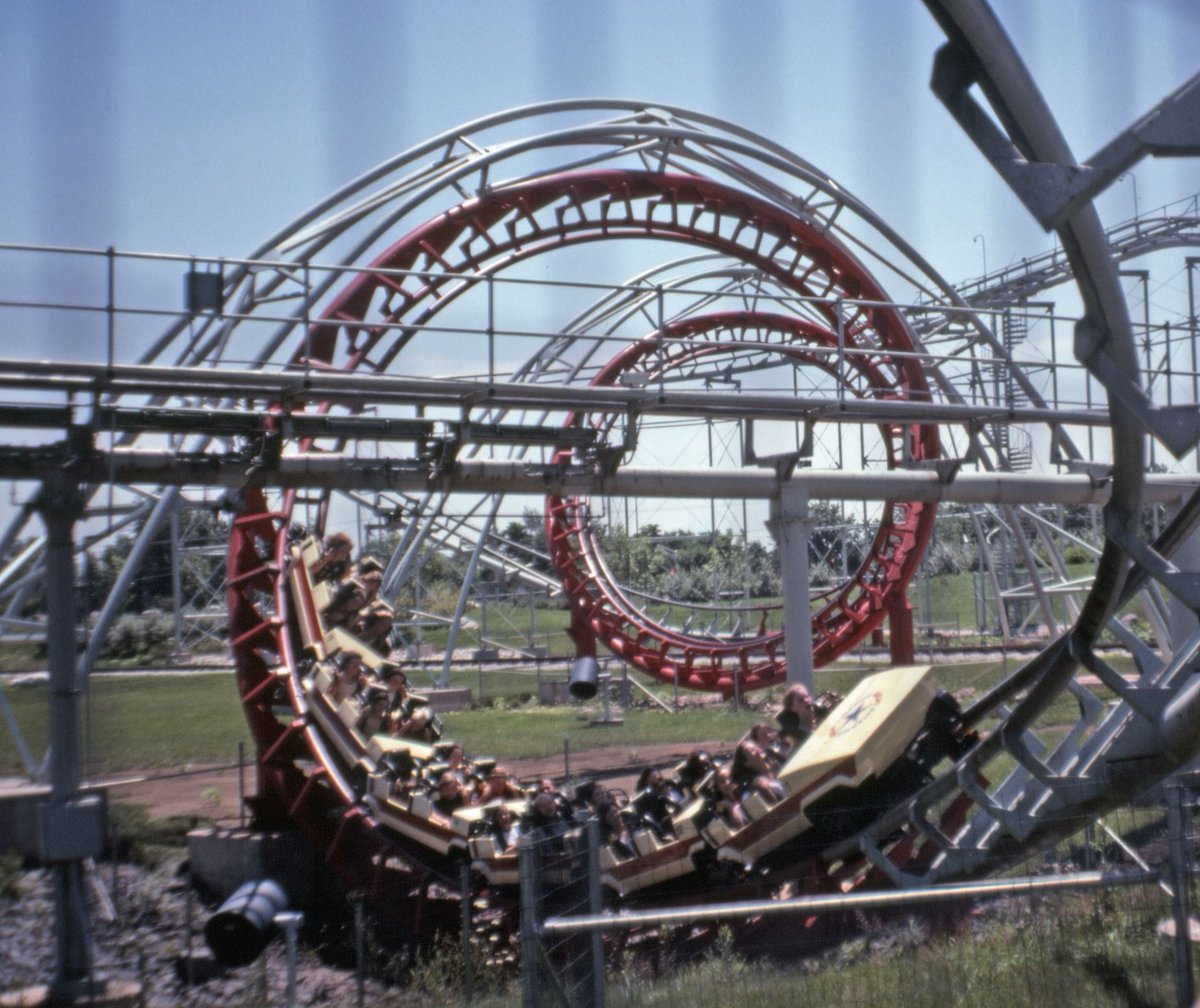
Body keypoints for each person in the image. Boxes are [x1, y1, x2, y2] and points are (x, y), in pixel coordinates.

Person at [776, 683, 817, 751]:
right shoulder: (798, 736)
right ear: (793, 708)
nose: (806, 700)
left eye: (807, 696)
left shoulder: (823, 717)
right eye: (800, 700)